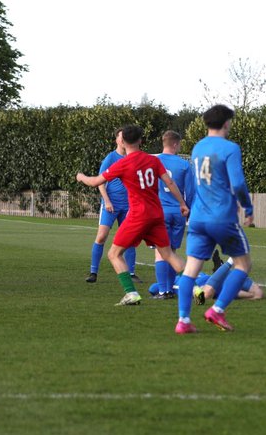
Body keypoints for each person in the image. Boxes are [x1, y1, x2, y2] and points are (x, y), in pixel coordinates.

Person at [75, 125, 189, 306]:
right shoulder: (153, 160)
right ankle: (197, 289)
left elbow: (96, 181)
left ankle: (131, 293)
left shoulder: (122, 163)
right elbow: (170, 182)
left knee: (114, 254)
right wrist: (182, 204)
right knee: (168, 254)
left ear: (121, 141)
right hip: (156, 213)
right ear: (141, 140)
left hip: (138, 215)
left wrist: (81, 176)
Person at [173, 104, 254, 334]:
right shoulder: (230, 148)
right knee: (243, 264)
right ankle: (217, 310)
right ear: (227, 123)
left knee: (191, 269)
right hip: (222, 217)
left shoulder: (198, 148)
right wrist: (247, 207)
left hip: (198, 217)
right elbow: (237, 183)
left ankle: (183, 320)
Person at [86, 129, 137, 283]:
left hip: (128, 205)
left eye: (125, 138)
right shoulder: (111, 158)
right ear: (117, 140)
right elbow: (100, 181)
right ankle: (93, 272)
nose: (122, 140)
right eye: (120, 137)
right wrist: (107, 201)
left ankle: (132, 273)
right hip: (111, 205)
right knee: (101, 237)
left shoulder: (133, 158)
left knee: (130, 239)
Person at [151, 130, 195, 299]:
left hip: (159, 212)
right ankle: (169, 288)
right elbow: (190, 192)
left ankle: (164, 291)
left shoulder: (153, 162)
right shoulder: (184, 165)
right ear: (176, 144)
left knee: (160, 253)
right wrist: (187, 209)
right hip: (178, 213)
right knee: (172, 252)